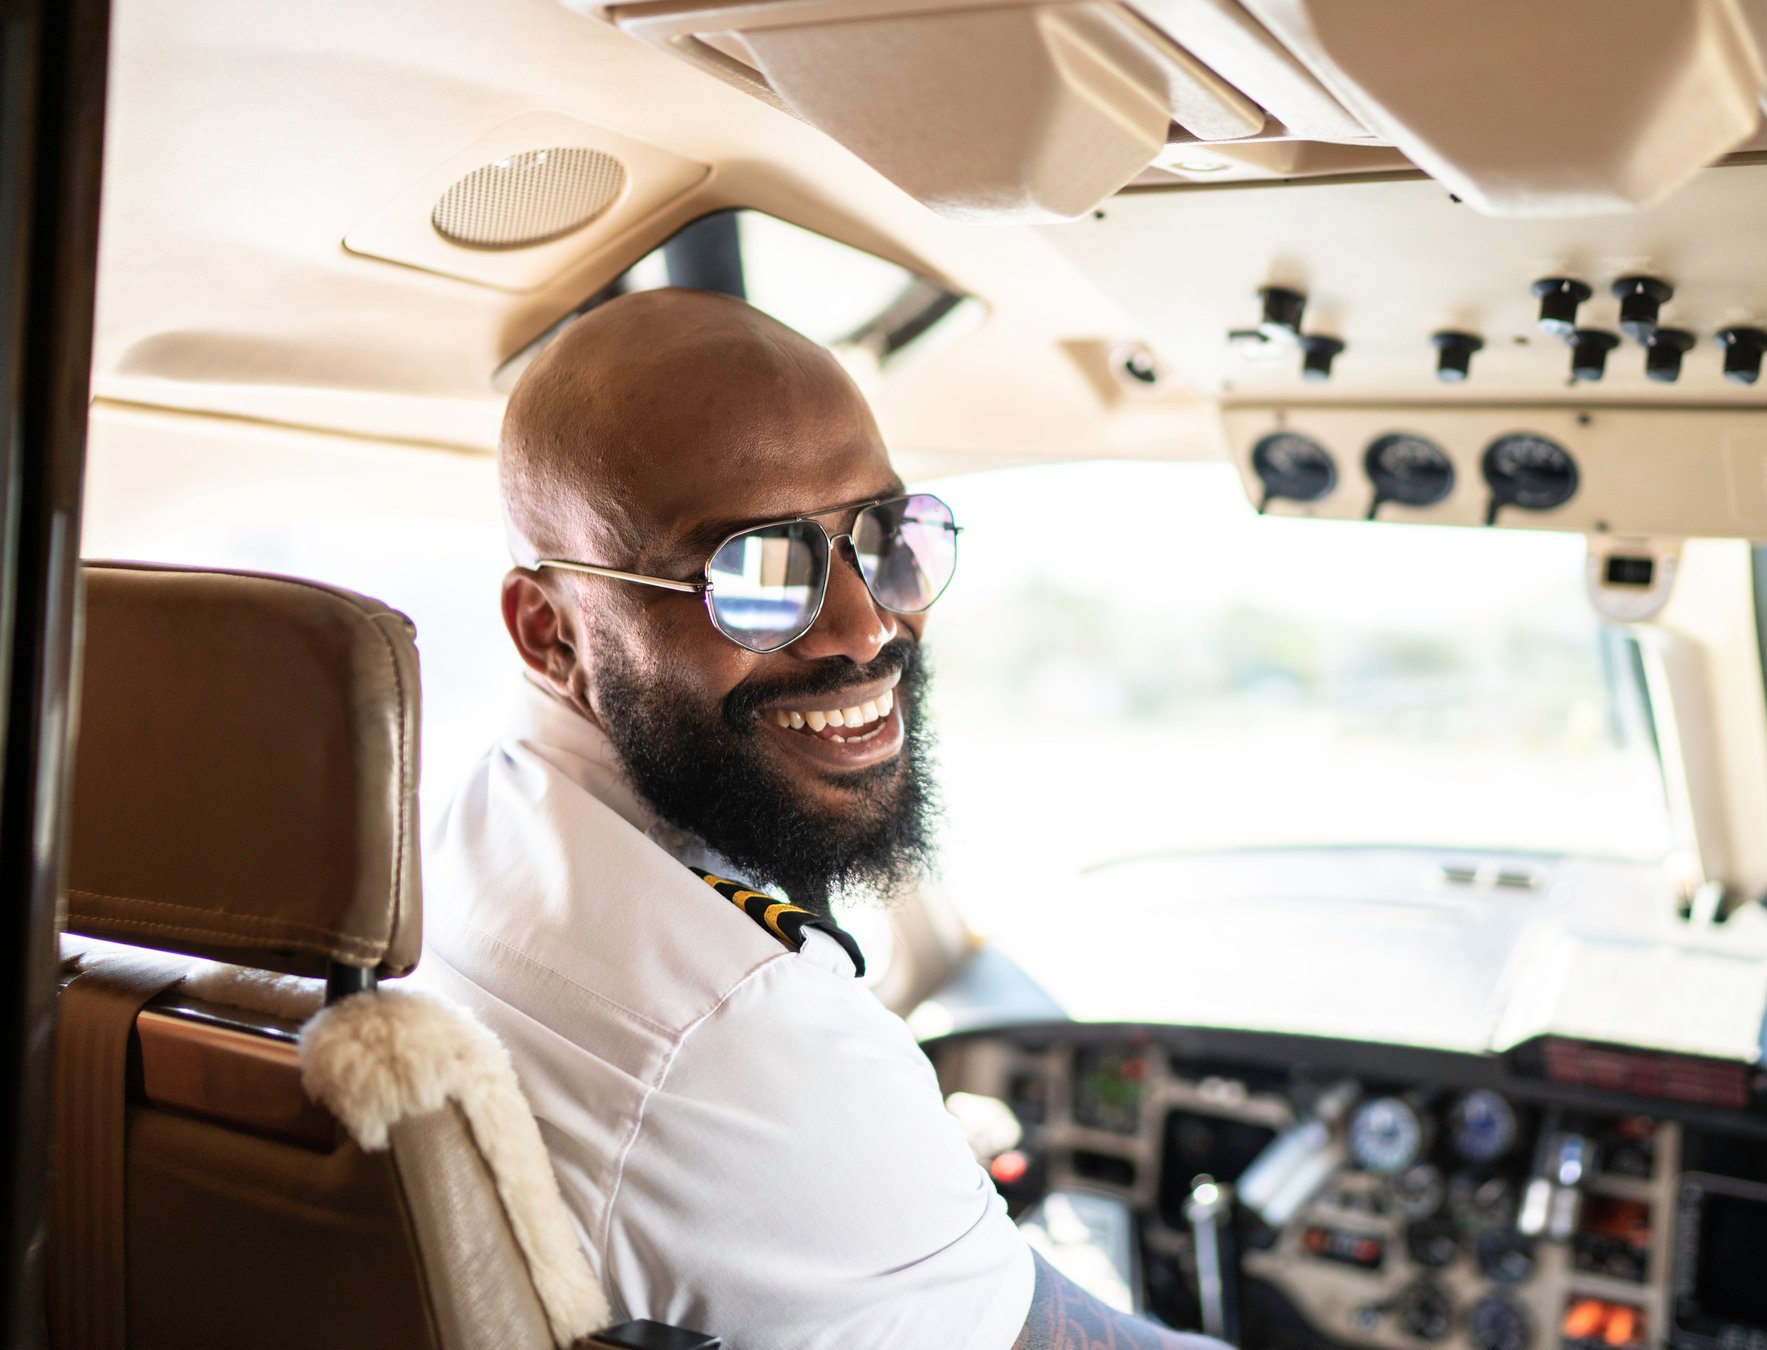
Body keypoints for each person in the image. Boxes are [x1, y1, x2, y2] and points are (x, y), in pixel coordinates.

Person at [419, 287, 1226, 1350]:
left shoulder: (469, 835)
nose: (865, 624)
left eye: (886, 535)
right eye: (752, 569)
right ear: (549, 630)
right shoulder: (740, 1034)